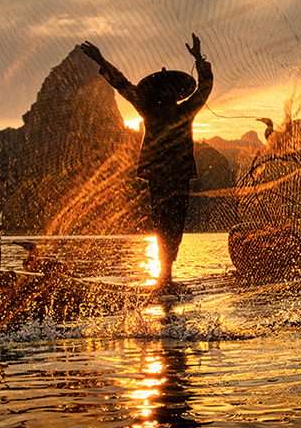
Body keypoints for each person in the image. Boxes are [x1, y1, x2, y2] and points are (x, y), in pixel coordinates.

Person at [78, 34, 212, 294]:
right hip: (168, 176)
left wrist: (199, 58)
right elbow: (123, 85)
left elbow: (124, 85)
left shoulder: (170, 109)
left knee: (170, 223)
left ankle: (166, 276)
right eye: (164, 90)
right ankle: (166, 276)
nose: (166, 94)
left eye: (169, 90)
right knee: (168, 223)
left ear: (174, 92)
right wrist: (101, 60)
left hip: (172, 175)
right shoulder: (171, 110)